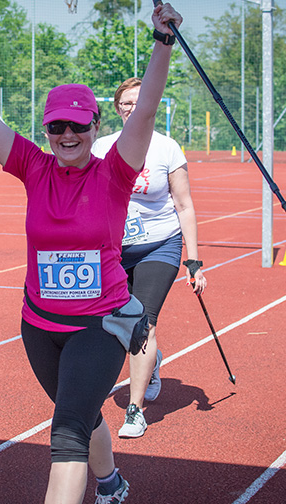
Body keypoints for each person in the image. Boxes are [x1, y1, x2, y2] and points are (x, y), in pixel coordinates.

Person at [0, 0, 182, 504]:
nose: (68, 135)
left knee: (67, 432)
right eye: (57, 126)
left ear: (95, 126)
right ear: (47, 130)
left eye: (78, 125)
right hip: (39, 325)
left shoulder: (116, 172)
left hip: (99, 326)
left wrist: (163, 42)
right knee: (83, 415)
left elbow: (144, 109)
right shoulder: (32, 166)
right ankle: (111, 483)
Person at [92, 78, 207, 439]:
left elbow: (184, 205)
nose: (133, 108)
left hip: (160, 244)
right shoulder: (102, 147)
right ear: (117, 109)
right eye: (126, 103)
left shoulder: (167, 149)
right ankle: (152, 361)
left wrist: (194, 261)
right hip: (115, 249)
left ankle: (135, 410)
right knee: (112, 325)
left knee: (144, 323)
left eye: (139, 102)